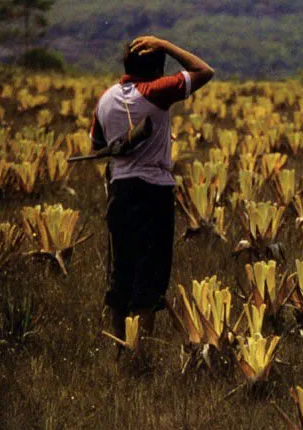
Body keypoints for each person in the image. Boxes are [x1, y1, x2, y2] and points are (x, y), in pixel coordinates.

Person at [90, 36, 214, 348]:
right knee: (151, 270)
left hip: (120, 188)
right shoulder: (157, 91)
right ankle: (140, 350)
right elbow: (204, 70)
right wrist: (166, 44)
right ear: (158, 69)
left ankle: (119, 346)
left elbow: (96, 147)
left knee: (122, 268)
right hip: (153, 191)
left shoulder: (105, 99)